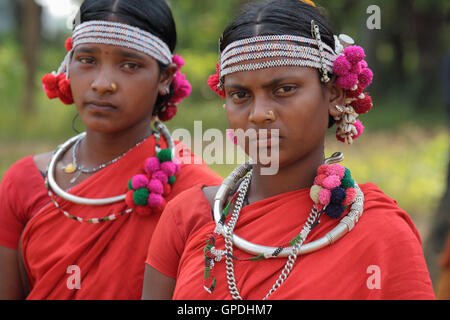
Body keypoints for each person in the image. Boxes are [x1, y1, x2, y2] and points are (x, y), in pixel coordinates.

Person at [142, 0, 435, 300]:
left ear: (334, 94)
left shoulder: (379, 233)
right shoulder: (189, 217)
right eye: (240, 94)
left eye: (284, 89)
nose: (258, 114)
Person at [0, 0, 222, 300]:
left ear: (165, 78)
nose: (102, 84)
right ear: (67, 65)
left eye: (129, 64)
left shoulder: (197, 193)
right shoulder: (25, 182)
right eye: (87, 60)